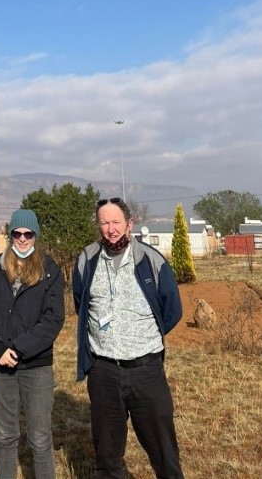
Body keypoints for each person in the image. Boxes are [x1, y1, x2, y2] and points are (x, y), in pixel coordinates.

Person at [73, 197, 185, 479]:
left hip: (146, 371)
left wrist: (142, 338)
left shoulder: (151, 260)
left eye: (116, 222)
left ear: (129, 224)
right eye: (104, 223)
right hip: (103, 372)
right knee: (107, 458)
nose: (111, 229)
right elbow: (81, 304)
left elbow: (172, 310)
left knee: (164, 454)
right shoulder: (87, 260)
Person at [0, 209, 65, 479]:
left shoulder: (50, 270)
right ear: (10, 234)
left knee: (40, 438)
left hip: (36, 366)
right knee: (5, 436)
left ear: (36, 235)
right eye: (17, 233)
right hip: (0, 364)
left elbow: (53, 319)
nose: (23, 239)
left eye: (28, 234)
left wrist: (19, 348)